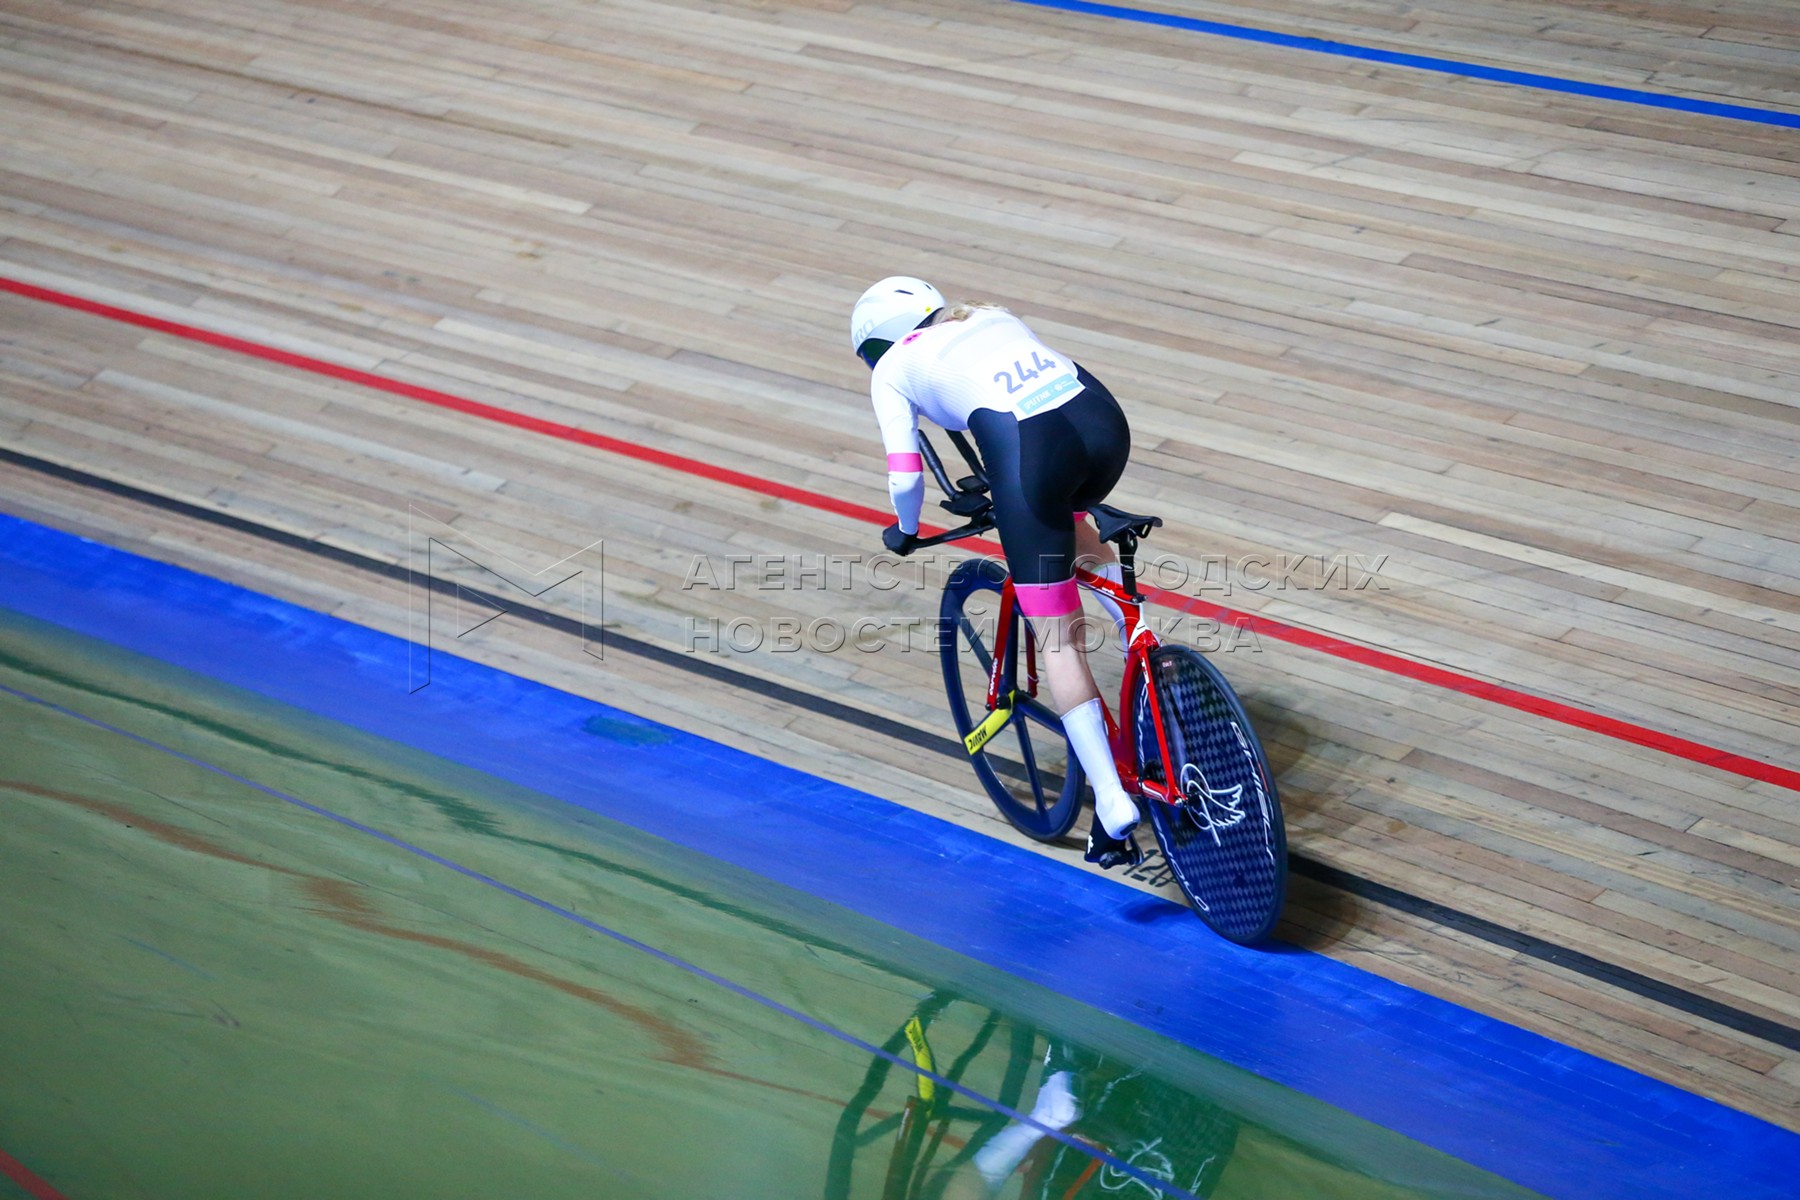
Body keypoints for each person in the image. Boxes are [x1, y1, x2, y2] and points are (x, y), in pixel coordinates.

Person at [850, 275, 1143, 868]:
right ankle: (1147, 645)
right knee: (1071, 514)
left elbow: (907, 475)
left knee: (1059, 638)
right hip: (1105, 429)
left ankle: (1111, 803)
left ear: (878, 344)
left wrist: (906, 530)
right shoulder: (989, 314)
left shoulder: (890, 371)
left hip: (1032, 455)